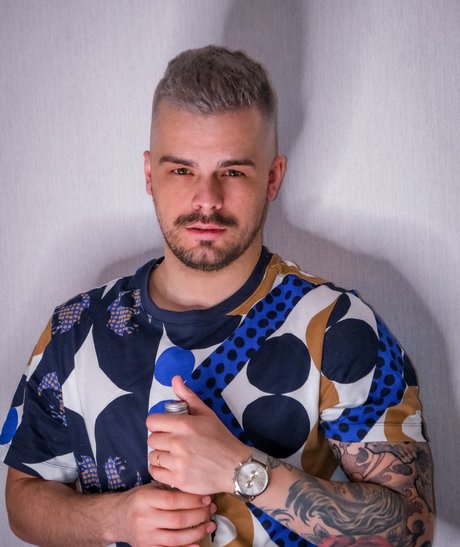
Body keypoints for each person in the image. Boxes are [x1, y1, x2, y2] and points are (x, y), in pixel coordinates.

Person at [1, 45, 434, 547]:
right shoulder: (76, 327)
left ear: (272, 177)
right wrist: (115, 520)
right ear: (149, 174)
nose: (207, 199)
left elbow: (414, 528)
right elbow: (22, 500)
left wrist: (243, 470)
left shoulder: (340, 327)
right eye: (182, 170)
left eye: (232, 171)